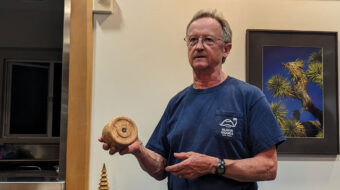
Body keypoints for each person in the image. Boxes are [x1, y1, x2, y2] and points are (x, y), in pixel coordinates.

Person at [99, 9, 285, 190]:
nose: (199, 46)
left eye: (208, 40)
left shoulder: (249, 97)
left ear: (226, 49)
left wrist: (214, 165)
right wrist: (139, 150)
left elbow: (268, 167)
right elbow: (160, 169)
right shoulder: (176, 103)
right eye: (193, 39)